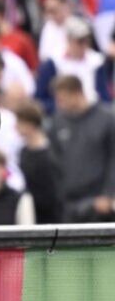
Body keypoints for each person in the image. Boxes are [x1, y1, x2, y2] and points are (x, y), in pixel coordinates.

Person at [48, 75, 115, 222]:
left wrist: (109, 194)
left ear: (77, 93)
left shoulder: (107, 119)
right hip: (70, 207)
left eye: (63, 99)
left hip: (100, 204)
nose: (59, 105)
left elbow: (113, 159)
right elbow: (55, 163)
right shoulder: (57, 123)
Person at [14, 100, 63, 224]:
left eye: (20, 122)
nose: (16, 127)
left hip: (50, 217)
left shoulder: (50, 154)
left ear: (30, 124)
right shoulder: (23, 151)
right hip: (30, 213)